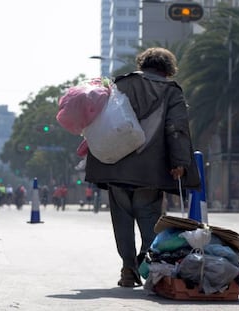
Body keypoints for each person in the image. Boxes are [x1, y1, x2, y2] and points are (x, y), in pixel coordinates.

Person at [85, 47, 200, 287]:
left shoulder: (119, 84)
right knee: (149, 219)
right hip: (149, 170)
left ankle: (128, 270)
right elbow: (176, 128)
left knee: (122, 221)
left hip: (114, 166)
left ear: (142, 64)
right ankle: (149, 268)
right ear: (168, 69)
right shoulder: (170, 90)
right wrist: (179, 162)